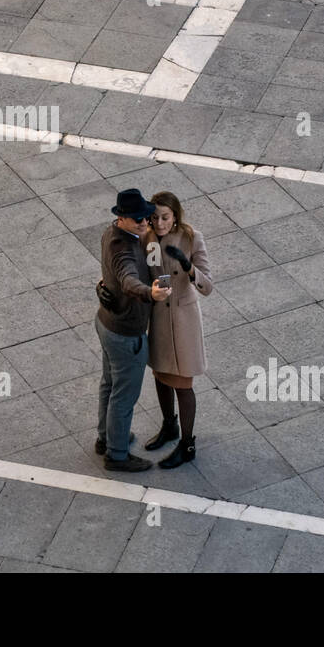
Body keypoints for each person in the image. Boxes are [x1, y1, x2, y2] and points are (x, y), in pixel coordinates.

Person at [95, 188, 169, 472]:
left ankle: (105, 437)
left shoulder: (110, 233)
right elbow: (127, 279)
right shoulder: (125, 247)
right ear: (122, 218)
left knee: (109, 385)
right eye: (137, 219)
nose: (144, 222)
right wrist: (150, 293)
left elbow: (111, 275)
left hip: (106, 323)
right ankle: (117, 453)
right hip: (126, 334)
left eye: (146, 216)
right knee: (124, 396)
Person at [142, 191, 213, 469]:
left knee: (183, 383)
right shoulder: (147, 237)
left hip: (183, 320)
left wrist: (189, 268)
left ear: (175, 216)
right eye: (155, 217)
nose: (159, 223)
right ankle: (169, 426)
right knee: (161, 374)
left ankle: (187, 443)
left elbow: (207, 285)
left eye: (165, 217)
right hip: (159, 316)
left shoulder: (192, 237)